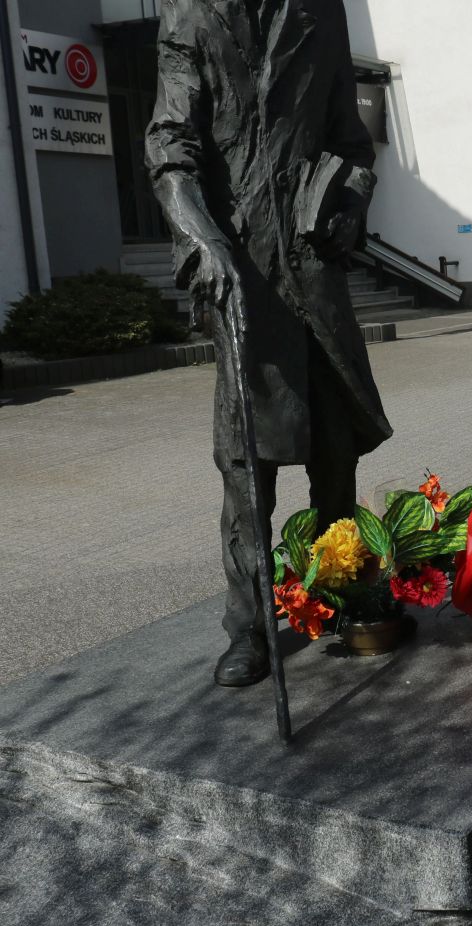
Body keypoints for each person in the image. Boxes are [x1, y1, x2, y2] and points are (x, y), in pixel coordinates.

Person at [146, 0, 392, 687]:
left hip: (313, 269)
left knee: (336, 451)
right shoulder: (191, 15)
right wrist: (202, 241)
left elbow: (351, 143)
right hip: (242, 273)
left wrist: (349, 204)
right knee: (247, 465)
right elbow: (170, 148)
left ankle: (337, 591)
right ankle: (250, 627)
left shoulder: (320, 12)